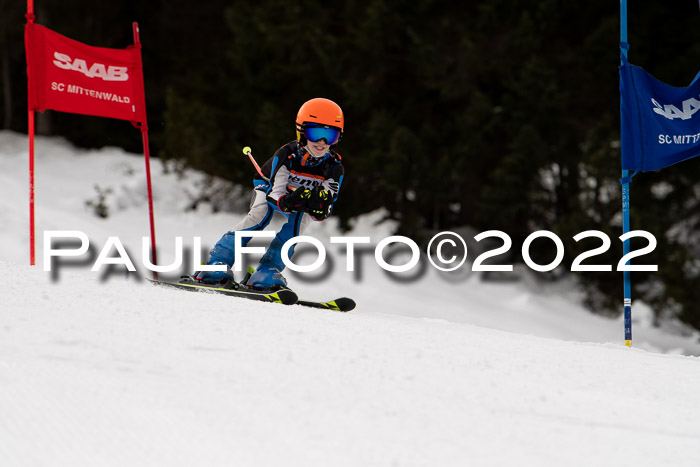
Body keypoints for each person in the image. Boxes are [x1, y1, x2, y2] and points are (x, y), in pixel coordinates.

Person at [195, 97, 345, 289]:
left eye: (330, 136)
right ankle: (217, 262)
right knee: (260, 215)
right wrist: (290, 201)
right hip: (269, 186)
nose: (322, 142)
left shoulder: (334, 168)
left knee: (297, 226)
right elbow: (275, 196)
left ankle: (267, 270)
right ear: (301, 131)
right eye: (315, 133)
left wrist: (318, 207)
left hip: (298, 197)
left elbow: (326, 206)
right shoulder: (287, 155)